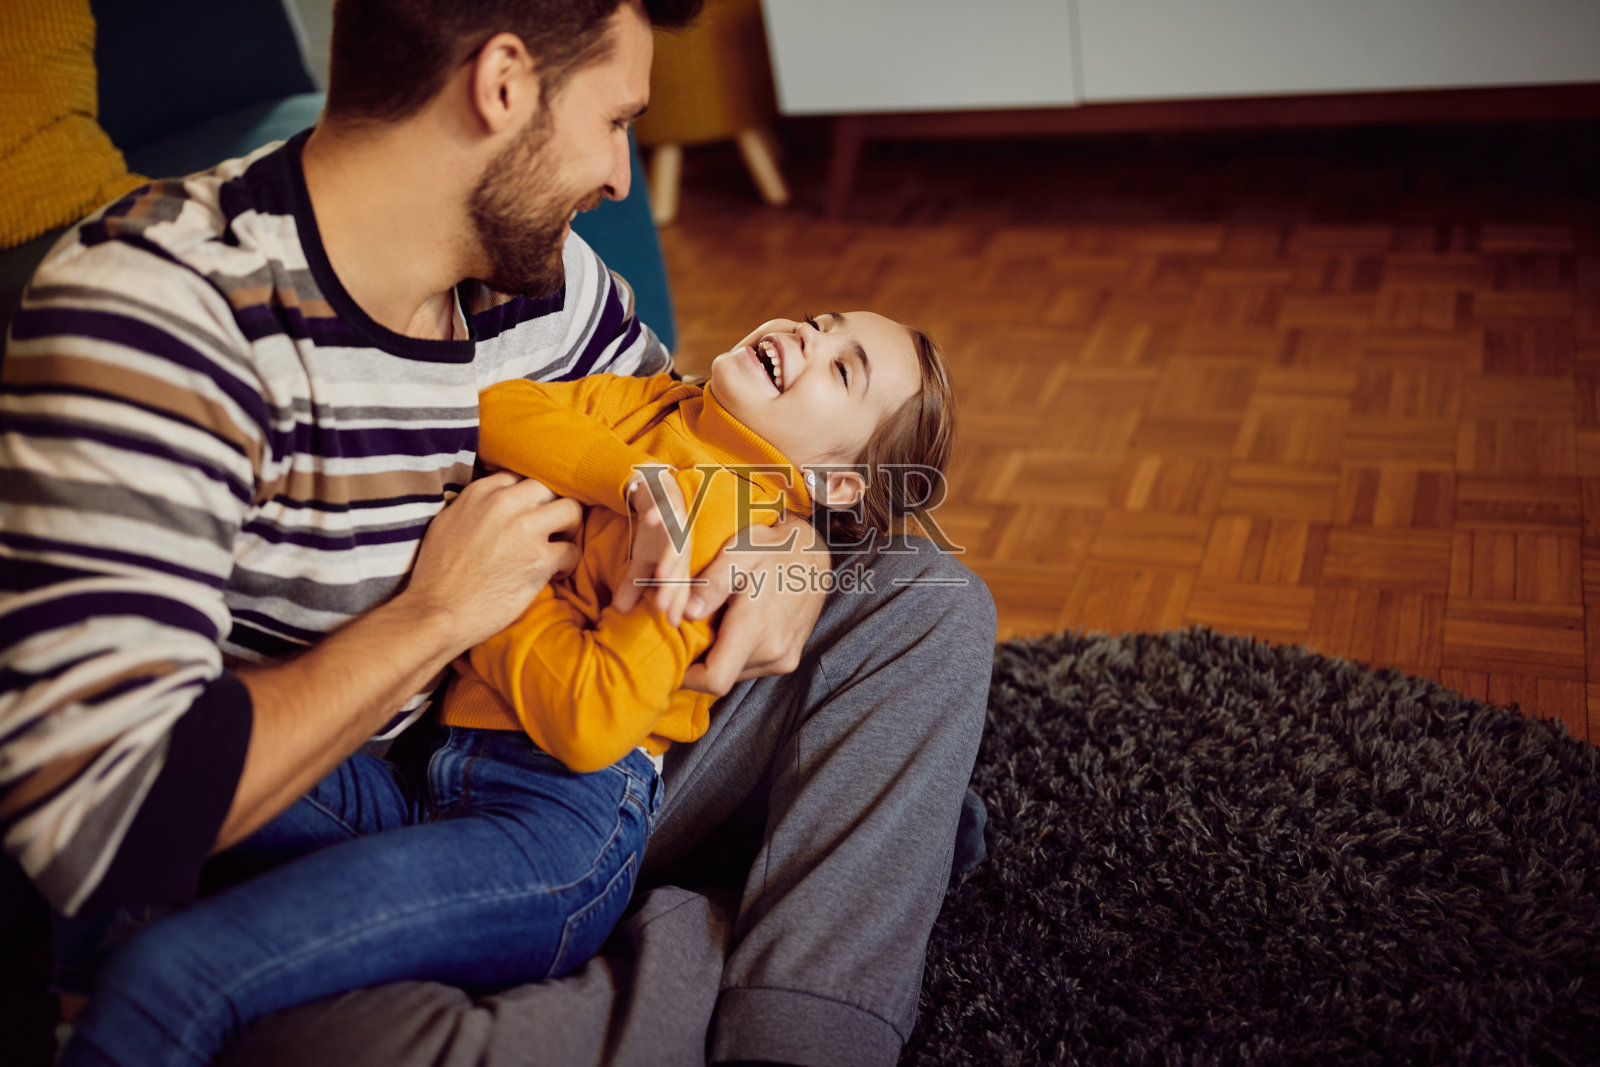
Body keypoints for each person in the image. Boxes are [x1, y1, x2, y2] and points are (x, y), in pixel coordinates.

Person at [0, 0, 995, 1063]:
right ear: (505, 85)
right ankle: (750, 925)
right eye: (617, 120)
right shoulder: (158, 319)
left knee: (923, 603)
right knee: (318, 1029)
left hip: (577, 769)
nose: (620, 176)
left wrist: (779, 542)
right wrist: (433, 617)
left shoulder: (550, 283)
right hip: (343, 799)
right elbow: (106, 814)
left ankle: (792, 957)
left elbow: (691, 437)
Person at [58, 308, 955, 1066]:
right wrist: (634, 480)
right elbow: (506, 411)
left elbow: (590, 721)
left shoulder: (727, 533)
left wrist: (475, 607)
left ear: (835, 483)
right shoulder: (651, 409)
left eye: (843, 366)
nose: (807, 332)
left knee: (177, 967)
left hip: (554, 831)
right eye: (824, 319)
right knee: (145, 784)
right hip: (432, 779)